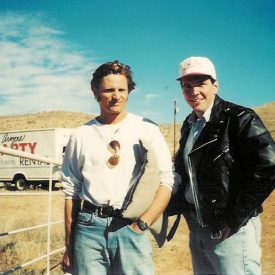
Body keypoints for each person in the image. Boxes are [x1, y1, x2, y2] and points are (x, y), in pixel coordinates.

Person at [61, 60, 175, 274]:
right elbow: (71, 193)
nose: (116, 96)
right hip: (89, 230)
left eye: (122, 89)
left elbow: (166, 180)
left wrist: (141, 225)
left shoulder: (146, 128)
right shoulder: (81, 135)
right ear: (95, 91)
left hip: (129, 227)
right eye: (108, 90)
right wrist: (69, 246)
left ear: (129, 91)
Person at [172, 56, 275, 275]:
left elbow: (268, 165)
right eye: (187, 86)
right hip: (198, 228)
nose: (194, 91)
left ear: (215, 85)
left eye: (201, 83)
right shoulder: (189, 125)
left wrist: (235, 217)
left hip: (231, 232)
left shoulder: (239, 118)